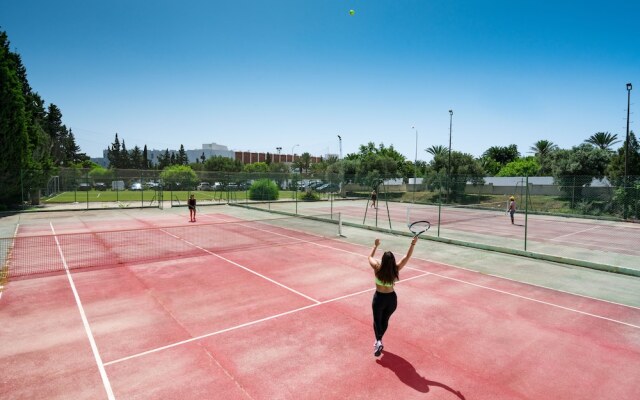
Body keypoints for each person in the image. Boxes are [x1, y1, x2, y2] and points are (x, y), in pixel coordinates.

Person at [368, 236, 418, 357]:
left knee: (377, 321)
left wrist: (375, 246)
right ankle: (378, 341)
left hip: (379, 298)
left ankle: (378, 340)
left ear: (383, 260)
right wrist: (413, 244)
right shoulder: (395, 269)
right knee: (385, 320)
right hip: (391, 300)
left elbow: (369, 257)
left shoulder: (377, 267)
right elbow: (407, 257)